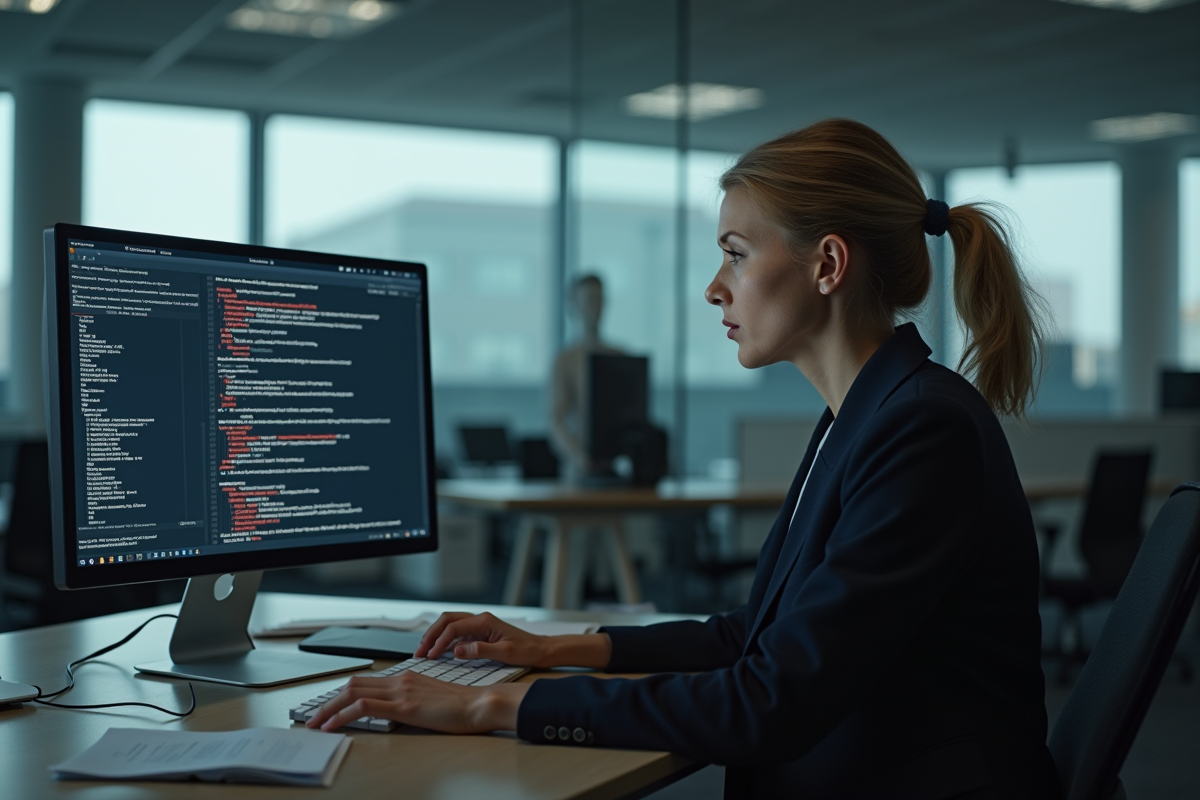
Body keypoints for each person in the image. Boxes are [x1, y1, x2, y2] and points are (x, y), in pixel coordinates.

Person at [306, 118, 1062, 799]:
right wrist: (554, 648)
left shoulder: (922, 430)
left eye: (736, 255)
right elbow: (757, 636)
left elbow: (773, 700)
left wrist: (489, 702)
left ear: (828, 264)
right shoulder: (863, 416)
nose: (713, 288)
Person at [549, 273, 625, 480]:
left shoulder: (619, 357)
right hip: (579, 470)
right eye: (589, 299)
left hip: (617, 468)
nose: (596, 306)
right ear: (575, 305)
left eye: (600, 299)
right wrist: (579, 456)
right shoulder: (566, 361)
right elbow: (558, 420)